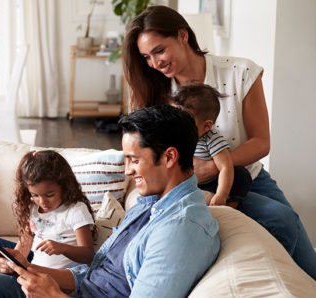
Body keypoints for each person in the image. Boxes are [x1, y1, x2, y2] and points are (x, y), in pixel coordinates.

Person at [0, 105, 220, 298]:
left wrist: (52, 295)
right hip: (73, 289)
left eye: (133, 160)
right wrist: (32, 269)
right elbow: (92, 275)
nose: (128, 170)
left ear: (170, 157)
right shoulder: (151, 203)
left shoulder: (181, 230)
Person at [122, 5, 316, 278]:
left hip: (246, 173)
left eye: (159, 50)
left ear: (183, 35)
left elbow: (261, 142)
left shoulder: (240, 72)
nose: (155, 63)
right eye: (147, 57)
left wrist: (215, 166)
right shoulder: (155, 90)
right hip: (186, 183)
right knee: (279, 219)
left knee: (287, 221)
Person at [0, 150, 96, 273]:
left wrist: (62, 248)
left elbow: (88, 254)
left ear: (65, 186)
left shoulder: (75, 210)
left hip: (56, 278)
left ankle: (0, 285)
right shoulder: (33, 208)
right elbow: (24, 247)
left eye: (50, 195)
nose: (42, 201)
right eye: (35, 195)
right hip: (33, 270)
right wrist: (11, 264)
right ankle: (1, 281)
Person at [171, 84, 252, 208]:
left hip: (212, 183)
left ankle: (230, 205)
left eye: (185, 122)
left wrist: (221, 194)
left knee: (240, 174)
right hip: (187, 183)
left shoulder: (212, 140)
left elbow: (225, 167)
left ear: (207, 126)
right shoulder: (173, 136)